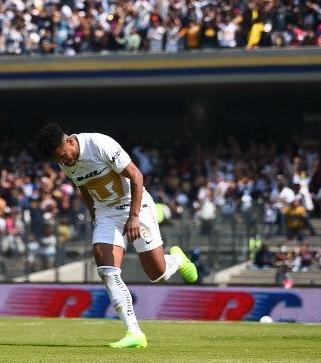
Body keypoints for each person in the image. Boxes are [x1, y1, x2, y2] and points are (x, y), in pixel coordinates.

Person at [33, 123, 198, 349]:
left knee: (156, 273)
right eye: (58, 160)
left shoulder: (99, 144)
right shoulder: (66, 163)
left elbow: (137, 176)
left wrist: (134, 217)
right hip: (106, 214)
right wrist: (95, 218)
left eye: (63, 156)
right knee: (107, 271)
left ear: (70, 142)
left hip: (135, 207)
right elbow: (83, 187)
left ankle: (177, 259)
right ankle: (135, 333)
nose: (63, 162)